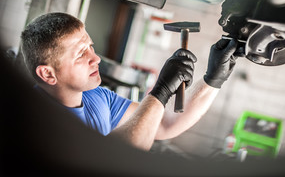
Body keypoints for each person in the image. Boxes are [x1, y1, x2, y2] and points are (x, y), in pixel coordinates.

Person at [20, 12, 238, 151]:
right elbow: (109, 158)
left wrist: (213, 78)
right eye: (80, 54)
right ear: (48, 74)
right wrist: (160, 91)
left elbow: (163, 124)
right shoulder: (37, 124)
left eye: (91, 47)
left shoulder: (97, 97)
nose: (95, 58)